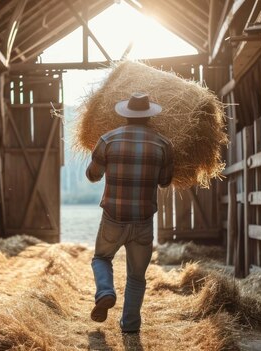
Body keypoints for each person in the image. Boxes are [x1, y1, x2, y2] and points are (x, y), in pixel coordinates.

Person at [86, 92, 174, 334]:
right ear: (148, 117)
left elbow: (93, 175)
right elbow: (165, 182)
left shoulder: (107, 140)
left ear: (125, 114)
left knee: (102, 258)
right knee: (136, 276)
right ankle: (130, 326)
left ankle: (105, 292)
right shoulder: (163, 145)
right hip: (143, 222)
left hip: (113, 218)